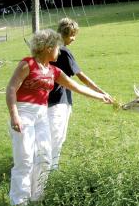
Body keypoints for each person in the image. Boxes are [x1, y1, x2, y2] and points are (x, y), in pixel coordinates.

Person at [6, 29, 113, 206]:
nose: (59, 51)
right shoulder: (27, 64)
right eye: (57, 47)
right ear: (48, 48)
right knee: (24, 159)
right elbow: (11, 89)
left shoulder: (54, 71)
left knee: (45, 156)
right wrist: (14, 114)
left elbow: (77, 87)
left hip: (41, 115)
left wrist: (101, 96)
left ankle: (37, 197)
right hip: (23, 113)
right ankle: (19, 201)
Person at [48, 18, 112, 170]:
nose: (74, 39)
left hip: (44, 99)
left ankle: (45, 168)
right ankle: (50, 172)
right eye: (72, 35)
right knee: (57, 138)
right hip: (59, 100)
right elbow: (81, 77)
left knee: (47, 136)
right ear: (65, 34)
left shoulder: (47, 48)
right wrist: (102, 92)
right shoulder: (63, 52)